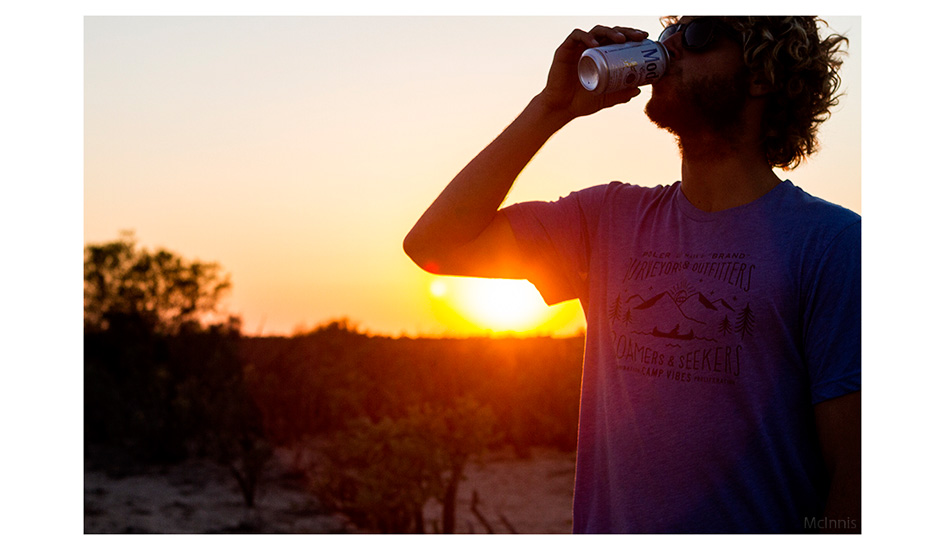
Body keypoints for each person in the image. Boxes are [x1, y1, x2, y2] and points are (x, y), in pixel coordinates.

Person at [403, 16, 860, 534]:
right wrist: (550, 109)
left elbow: (855, 473)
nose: (669, 48)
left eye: (698, 35)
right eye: (666, 37)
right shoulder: (605, 221)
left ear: (762, 75)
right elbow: (433, 245)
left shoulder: (834, 244)